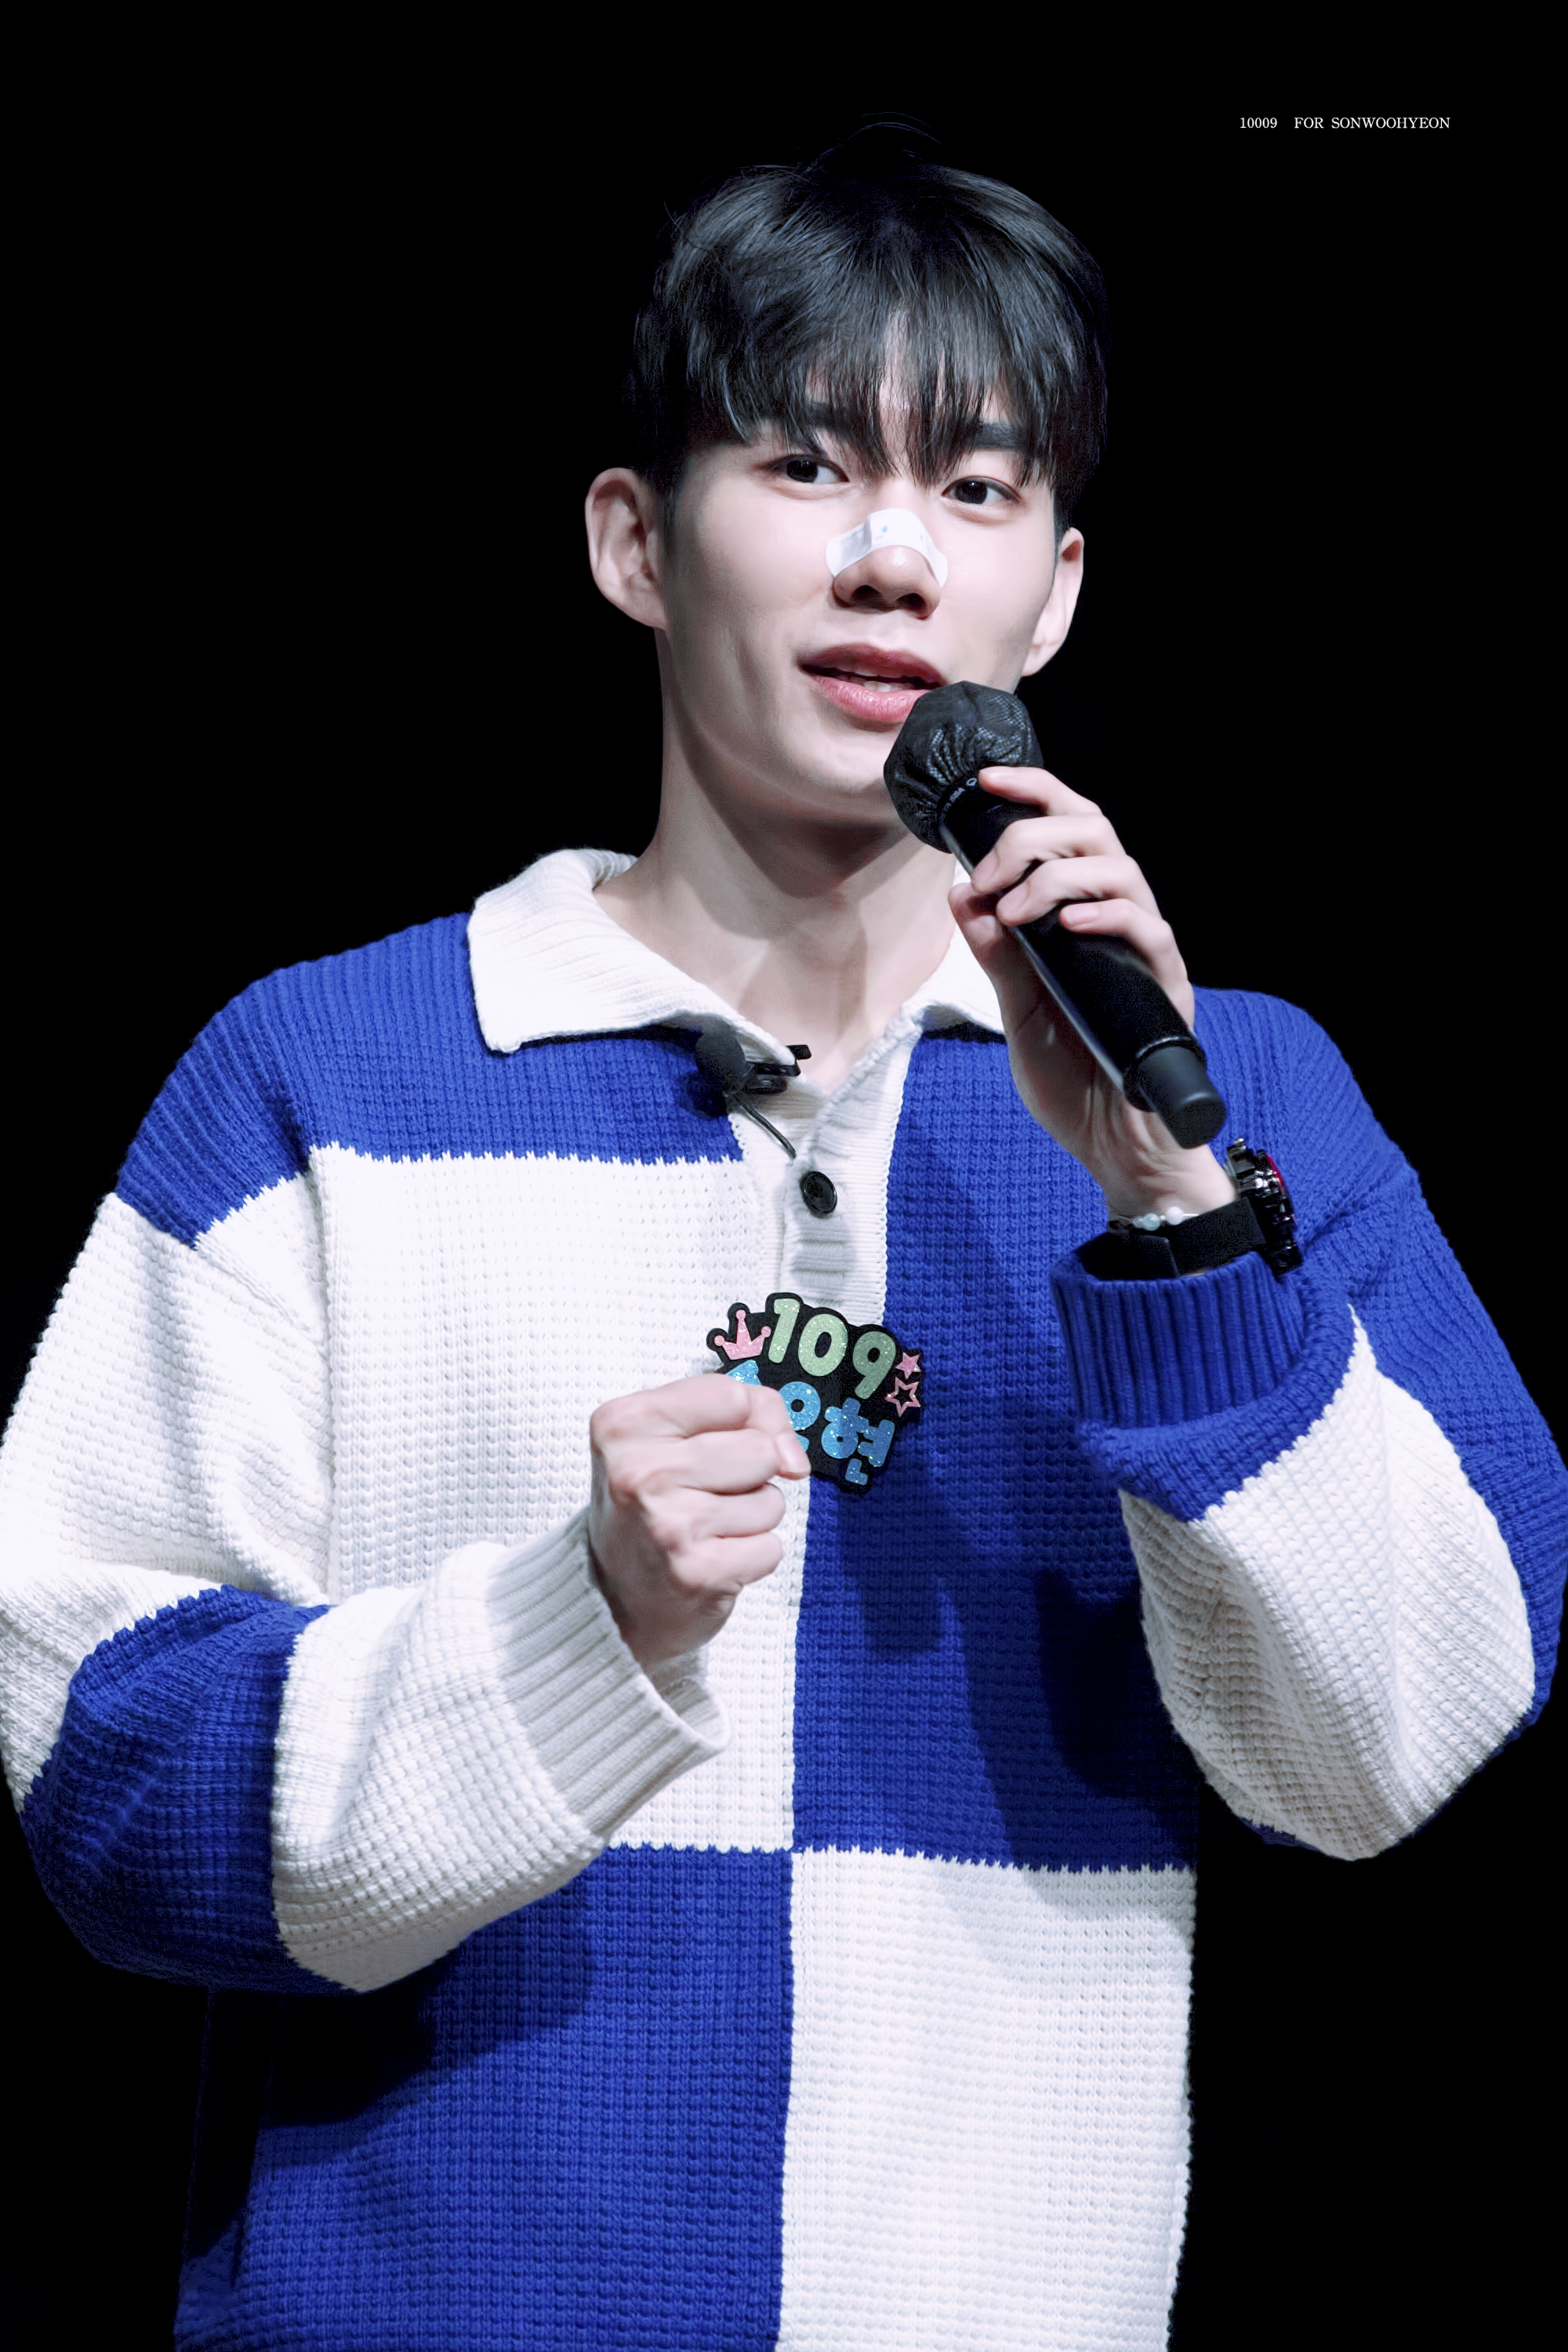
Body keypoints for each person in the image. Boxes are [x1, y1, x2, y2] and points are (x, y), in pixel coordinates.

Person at [0, 129, 1560, 2352]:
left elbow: (1394, 1748)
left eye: (976, 488)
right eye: (807, 465)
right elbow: (100, 1780)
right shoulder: (324, 1080)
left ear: (1057, 594)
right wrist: (578, 1626)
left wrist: (1176, 1217)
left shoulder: (1246, 1107)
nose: (892, 557)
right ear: (635, 542)